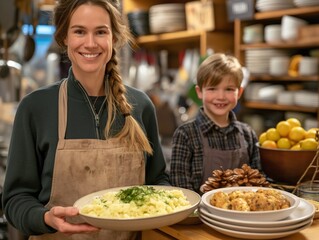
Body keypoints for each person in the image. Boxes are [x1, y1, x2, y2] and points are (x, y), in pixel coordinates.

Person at [2, 0, 169, 239]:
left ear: (114, 38)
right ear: (64, 38)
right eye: (79, 31)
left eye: (101, 32)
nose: (90, 43)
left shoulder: (140, 106)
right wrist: (44, 218)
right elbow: (16, 199)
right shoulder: (35, 108)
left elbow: (158, 181)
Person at [169, 53, 261, 193]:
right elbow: (180, 190)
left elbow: (258, 181)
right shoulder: (186, 135)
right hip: (200, 214)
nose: (221, 97)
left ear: (239, 92)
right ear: (199, 92)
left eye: (229, 89)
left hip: (242, 213)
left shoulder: (248, 134)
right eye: (212, 88)